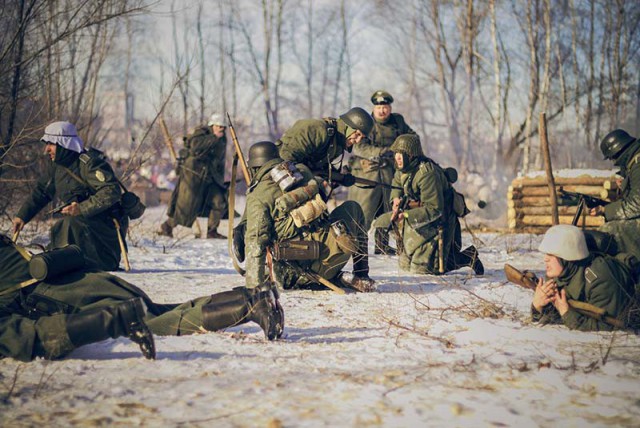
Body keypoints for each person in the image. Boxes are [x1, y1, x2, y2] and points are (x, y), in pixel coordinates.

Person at [0, 234, 283, 362]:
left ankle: (252, 306)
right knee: (162, 311)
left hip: (73, 297)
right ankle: (254, 295)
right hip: (90, 282)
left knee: (161, 324)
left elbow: (29, 336)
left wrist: (110, 322)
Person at [243, 141, 375, 292]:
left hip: (298, 273)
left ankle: (331, 277)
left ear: (254, 167)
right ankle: (361, 274)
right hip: (336, 252)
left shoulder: (258, 195)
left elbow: (255, 243)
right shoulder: (300, 172)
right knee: (353, 207)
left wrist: (253, 289)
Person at [12, 121, 127, 271]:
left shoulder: (88, 163)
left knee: (68, 225)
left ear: (63, 143)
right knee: (61, 228)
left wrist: (81, 208)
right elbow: (42, 192)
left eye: (51, 144)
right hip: (80, 225)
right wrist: (22, 216)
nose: (47, 149)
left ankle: (81, 263)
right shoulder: (56, 167)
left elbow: (111, 191)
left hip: (103, 231)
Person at [379, 134, 483, 275]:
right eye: (396, 153)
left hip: (441, 216)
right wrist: (395, 199)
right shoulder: (403, 168)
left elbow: (435, 209)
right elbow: (397, 183)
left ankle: (469, 257)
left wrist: (406, 215)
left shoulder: (427, 174)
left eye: (401, 153)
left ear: (411, 155)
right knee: (406, 266)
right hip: (421, 215)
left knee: (431, 269)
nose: (397, 157)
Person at [531, 225, 637, 331]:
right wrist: (537, 306)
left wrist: (567, 314)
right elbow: (555, 317)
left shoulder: (600, 276)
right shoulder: (560, 276)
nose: (545, 259)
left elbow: (608, 326)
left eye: (551, 254)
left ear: (567, 256)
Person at [348, 91, 415, 255]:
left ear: (390, 107)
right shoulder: (365, 122)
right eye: (378, 107)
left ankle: (382, 245)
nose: (382, 111)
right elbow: (358, 147)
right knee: (364, 213)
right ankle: (356, 247)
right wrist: (383, 151)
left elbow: (412, 139)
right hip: (367, 176)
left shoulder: (398, 122)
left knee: (387, 210)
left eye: (385, 107)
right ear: (373, 108)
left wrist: (401, 150)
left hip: (389, 175)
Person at [159, 113, 229, 239]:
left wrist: (220, 178)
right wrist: (213, 138)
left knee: (219, 201)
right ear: (212, 125)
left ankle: (212, 230)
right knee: (187, 206)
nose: (221, 129)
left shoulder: (222, 139)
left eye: (223, 127)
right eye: (219, 126)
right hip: (193, 176)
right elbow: (195, 146)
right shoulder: (200, 133)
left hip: (210, 176)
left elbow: (220, 160)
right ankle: (167, 226)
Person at [275, 107, 374, 180]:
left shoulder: (337, 142)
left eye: (362, 138)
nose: (357, 141)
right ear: (348, 127)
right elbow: (286, 156)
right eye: (357, 134)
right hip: (277, 173)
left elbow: (319, 168)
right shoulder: (318, 129)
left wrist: (340, 178)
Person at [590, 129, 640, 259]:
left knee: (607, 233)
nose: (613, 161)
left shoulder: (638, 163)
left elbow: (636, 205)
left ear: (618, 151)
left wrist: (605, 210)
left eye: (612, 157)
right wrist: (625, 185)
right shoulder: (634, 162)